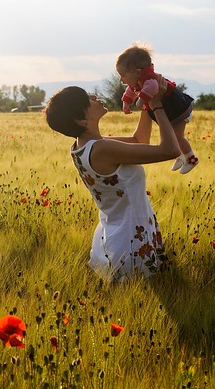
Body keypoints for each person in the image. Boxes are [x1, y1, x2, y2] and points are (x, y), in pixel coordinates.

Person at [44, 77, 178, 282]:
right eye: (87, 99)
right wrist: (158, 105)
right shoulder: (102, 149)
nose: (93, 96)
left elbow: (138, 141)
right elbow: (170, 150)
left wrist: (146, 101)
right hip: (132, 240)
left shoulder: (83, 147)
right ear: (81, 120)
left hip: (119, 233)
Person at [116, 43, 198, 174]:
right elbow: (130, 90)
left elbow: (152, 88)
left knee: (177, 136)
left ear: (137, 73)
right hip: (170, 110)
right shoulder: (137, 80)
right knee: (170, 134)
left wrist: (141, 100)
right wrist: (126, 101)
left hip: (179, 109)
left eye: (123, 75)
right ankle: (180, 156)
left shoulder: (150, 79)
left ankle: (191, 158)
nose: (121, 79)